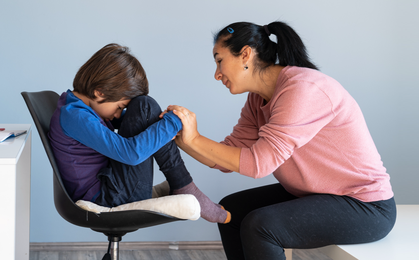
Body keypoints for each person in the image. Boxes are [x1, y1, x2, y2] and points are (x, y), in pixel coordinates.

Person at [165, 21, 396, 259]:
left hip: (365, 205)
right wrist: (184, 140)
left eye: (219, 60)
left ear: (245, 54)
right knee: (231, 211)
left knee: (261, 225)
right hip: (316, 194)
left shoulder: (303, 89)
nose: (217, 74)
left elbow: (258, 164)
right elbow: (227, 156)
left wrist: (195, 139)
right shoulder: (257, 100)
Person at [48, 43, 231, 224]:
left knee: (144, 108)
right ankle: (184, 185)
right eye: (120, 107)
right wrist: (176, 120)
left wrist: (155, 119)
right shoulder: (76, 116)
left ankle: (183, 185)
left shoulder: (77, 108)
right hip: (107, 197)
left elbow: (135, 117)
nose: (119, 114)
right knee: (145, 106)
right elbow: (131, 154)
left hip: (110, 187)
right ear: (99, 92)